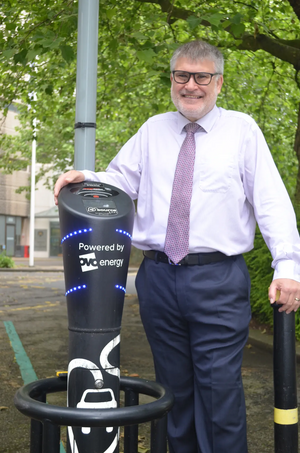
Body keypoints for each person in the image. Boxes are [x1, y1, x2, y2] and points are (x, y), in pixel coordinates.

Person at [54, 40, 300, 453]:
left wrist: (288, 266)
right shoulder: (153, 130)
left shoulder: (242, 130)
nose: (191, 85)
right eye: (182, 75)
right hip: (159, 279)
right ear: (172, 80)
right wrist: (85, 176)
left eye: (202, 76)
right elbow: (120, 182)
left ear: (218, 82)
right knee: (174, 394)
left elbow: (271, 202)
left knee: (218, 391)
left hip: (218, 280)